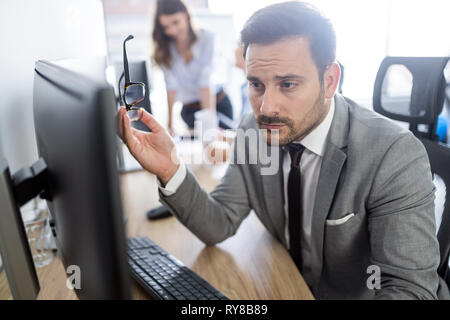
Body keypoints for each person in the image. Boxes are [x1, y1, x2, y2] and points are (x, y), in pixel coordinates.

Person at [118, 2, 449, 299]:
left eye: (288, 84)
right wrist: (169, 169)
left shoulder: (393, 155)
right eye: (256, 84)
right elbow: (219, 222)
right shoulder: (253, 129)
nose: (266, 106)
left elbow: (409, 289)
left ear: (330, 81)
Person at [152, 0, 234, 134]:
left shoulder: (207, 38)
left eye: (175, 22)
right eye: (166, 27)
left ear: (186, 15)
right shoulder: (166, 49)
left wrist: (210, 123)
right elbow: (171, 87)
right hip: (190, 111)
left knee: (231, 139)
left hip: (217, 104)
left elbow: (205, 82)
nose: (172, 30)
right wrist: (170, 125)